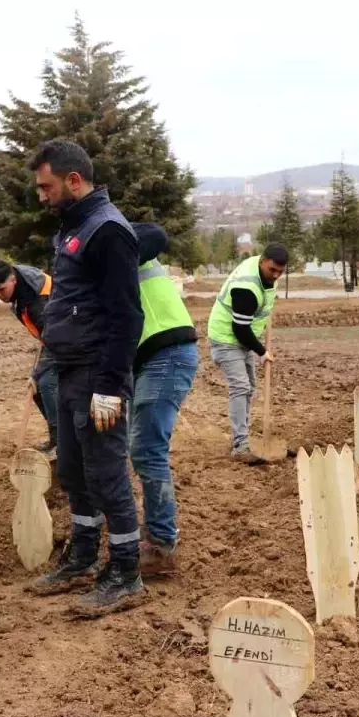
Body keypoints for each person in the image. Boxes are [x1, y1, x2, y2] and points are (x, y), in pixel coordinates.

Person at [23, 140, 146, 613]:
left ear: (74, 180)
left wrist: (111, 387)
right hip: (71, 369)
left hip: (99, 372)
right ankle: (81, 555)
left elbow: (126, 316)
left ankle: (125, 570)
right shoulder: (74, 228)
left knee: (106, 471)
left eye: (46, 186)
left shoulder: (108, 232)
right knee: (73, 470)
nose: (42, 196)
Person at [129, 222, 199, 575]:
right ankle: (155, 532)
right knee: (140, 447)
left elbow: (154, 234)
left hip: (166, 351)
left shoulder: (113, 241)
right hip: (151, 356)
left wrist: (116, 259)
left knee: (147, 449)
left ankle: (161, 544)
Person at [205, 243, 287, 462]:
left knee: (249, 386)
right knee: (240, 386)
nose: (276, 275)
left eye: (281, 271)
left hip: (244, 337)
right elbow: (239, 328)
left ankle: (242, 438)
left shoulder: (265, 274)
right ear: (262, 261)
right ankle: (240, 445)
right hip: (226, 337)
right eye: (272, 270)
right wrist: (262, 352)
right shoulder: (247, 287)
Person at [0, 259, 58, 458]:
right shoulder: (20, 292)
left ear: (13, 279)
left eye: (1, 289)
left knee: (47, 383)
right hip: (51, 339)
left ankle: (62, 442)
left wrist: (38, 372)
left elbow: (53, 339)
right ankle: (56, 438)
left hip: (69, 339)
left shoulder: (37, 300)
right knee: (34, 388)